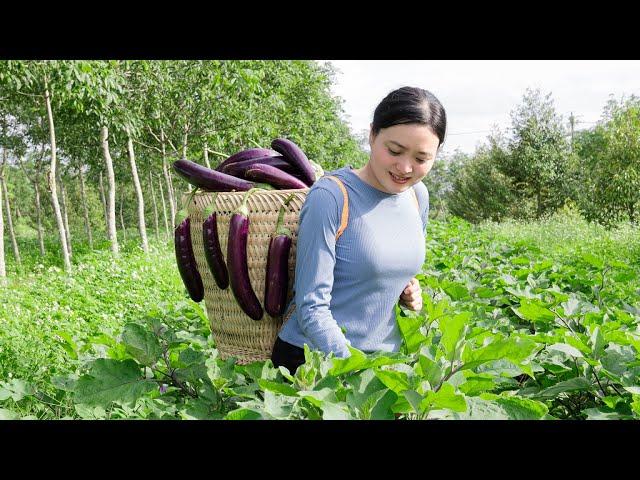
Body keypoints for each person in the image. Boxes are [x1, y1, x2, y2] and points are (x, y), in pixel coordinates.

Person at [271, 86, 447, 375]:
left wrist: (409, 292)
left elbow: (391, 266)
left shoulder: (418, 196)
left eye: (421, 158)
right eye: (394, 150)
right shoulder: (331, 196)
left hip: (384, 362)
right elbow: (311, 308)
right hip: (315, 363)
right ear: (372, 135)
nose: (405, 168)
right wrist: (357, 370)